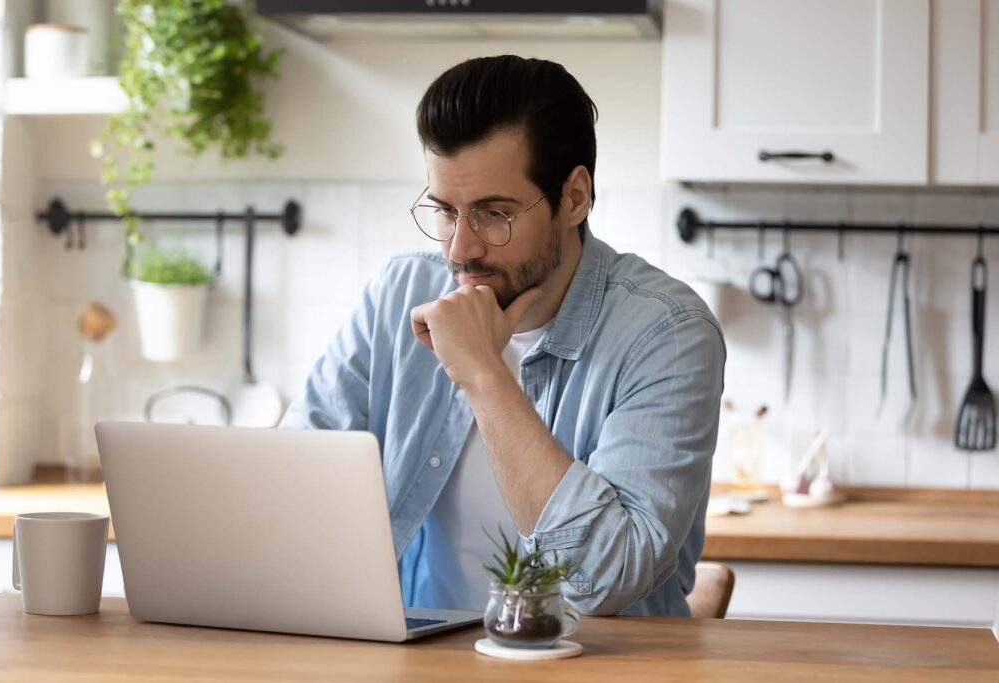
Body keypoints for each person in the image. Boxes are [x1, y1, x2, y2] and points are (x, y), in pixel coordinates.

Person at [281, 55, 725, 617]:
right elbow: (291, 481)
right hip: (418, 662)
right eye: (445, 211)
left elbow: (607, 577)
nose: (460, 250)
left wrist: (483, 375)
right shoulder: (401, 290)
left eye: (494, 214)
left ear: (574, 198)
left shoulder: (669, 333)